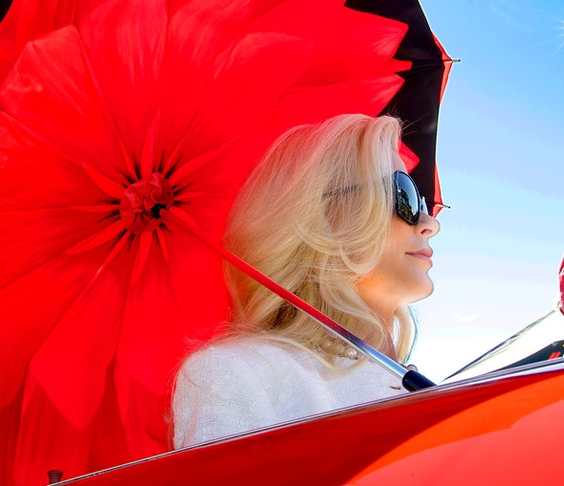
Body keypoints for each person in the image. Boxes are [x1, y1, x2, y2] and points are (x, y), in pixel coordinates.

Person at [171, 113, 440, 449]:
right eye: (405, 196)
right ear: (325, 218)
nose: (430, 223)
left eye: (423, 202)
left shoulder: (411, 384)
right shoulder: (241, 375)